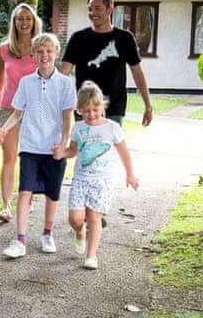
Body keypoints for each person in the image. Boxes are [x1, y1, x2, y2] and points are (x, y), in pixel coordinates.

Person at [0, 33, 76, 259]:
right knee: (24, 192)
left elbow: (68, 116)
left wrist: (64, 143)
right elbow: (17, 112)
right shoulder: (26, 82)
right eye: (39, 51)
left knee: (52, 195)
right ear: (33, 55)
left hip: (53, 149)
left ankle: (47, 234)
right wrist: (5, 129)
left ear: (56, 53)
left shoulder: (65, 84)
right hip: (30, 147)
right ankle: (20, 240)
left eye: (49, 51)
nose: (44, 55)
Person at [52, 81, 139, 270]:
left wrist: (130, 174)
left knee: (94, 218)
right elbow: (73, 151)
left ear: (103, 106)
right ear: (79, 110)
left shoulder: (112, 127)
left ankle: (91, 256)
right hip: (81, 179)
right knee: (75, 218)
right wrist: (62, 153)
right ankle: (80, 232)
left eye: (95, 109)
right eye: (86, 111)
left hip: (102, 181)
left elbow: (124, 152)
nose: (91, 114)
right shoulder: (78, 127)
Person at [60, 0, 154, 127]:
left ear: (110, 9)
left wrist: (148, 106)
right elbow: (63, 74)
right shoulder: (78, 38)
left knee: (110, 148)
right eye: (90, 9)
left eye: (97, 8)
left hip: (114, 109)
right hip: (85, 109)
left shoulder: (124, 38)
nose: (93, 13)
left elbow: (137, 73)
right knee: (83, 148)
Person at [0, 3, 43, 223]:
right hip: (9, 107)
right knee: (9, 156)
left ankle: (27, 200)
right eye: (20, 18)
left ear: (34, 21)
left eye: (28, 18)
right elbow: (0, 78)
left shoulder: (40, 48)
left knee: (29, 156)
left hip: (34, 108)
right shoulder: (4, 49)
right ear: (14, 21)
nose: (24, 22)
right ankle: (6, 206)